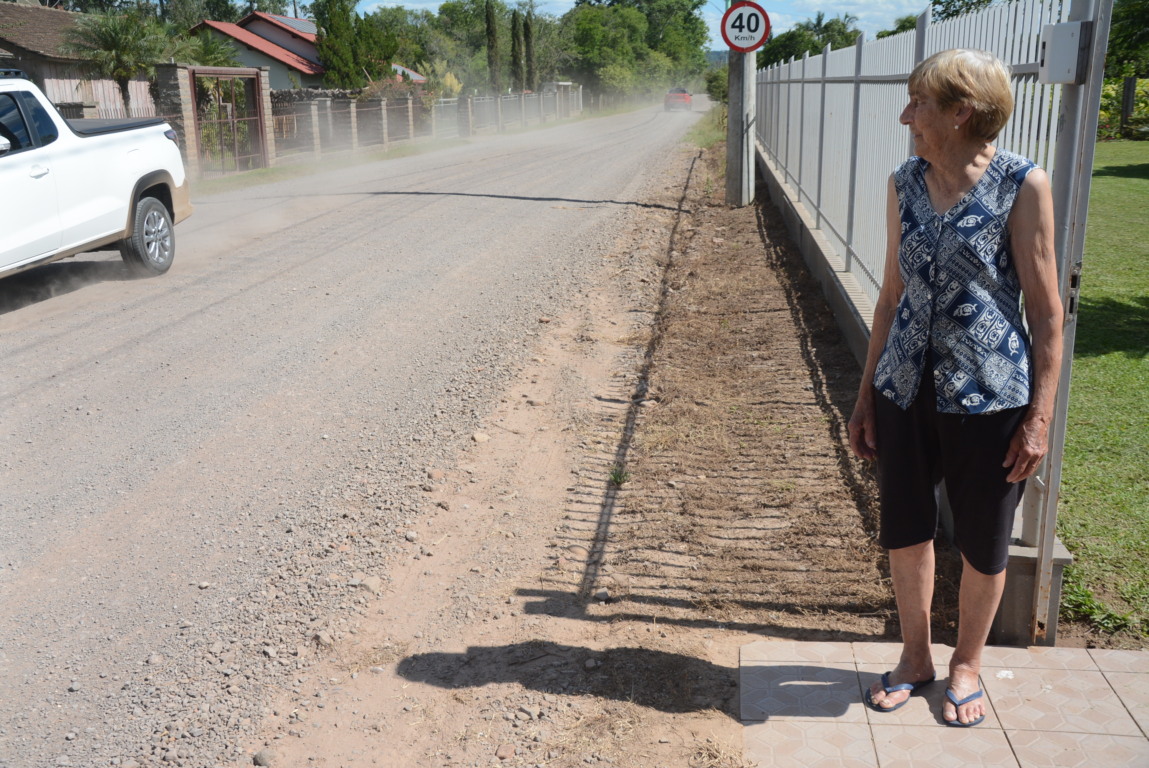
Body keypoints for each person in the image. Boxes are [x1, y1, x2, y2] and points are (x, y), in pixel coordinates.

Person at [847, 49, 1063, 727]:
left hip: (989, 397)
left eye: (919, 103)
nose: (906, 116)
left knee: (982, 541)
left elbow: (1047, 313)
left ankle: (965, 663)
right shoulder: (903, 183)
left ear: (960, 111)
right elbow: (888, 295)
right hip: (904, 388)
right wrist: (863, 396)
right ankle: (915, 658)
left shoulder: (1021, 185)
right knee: (907, 530)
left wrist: (1038, 418)